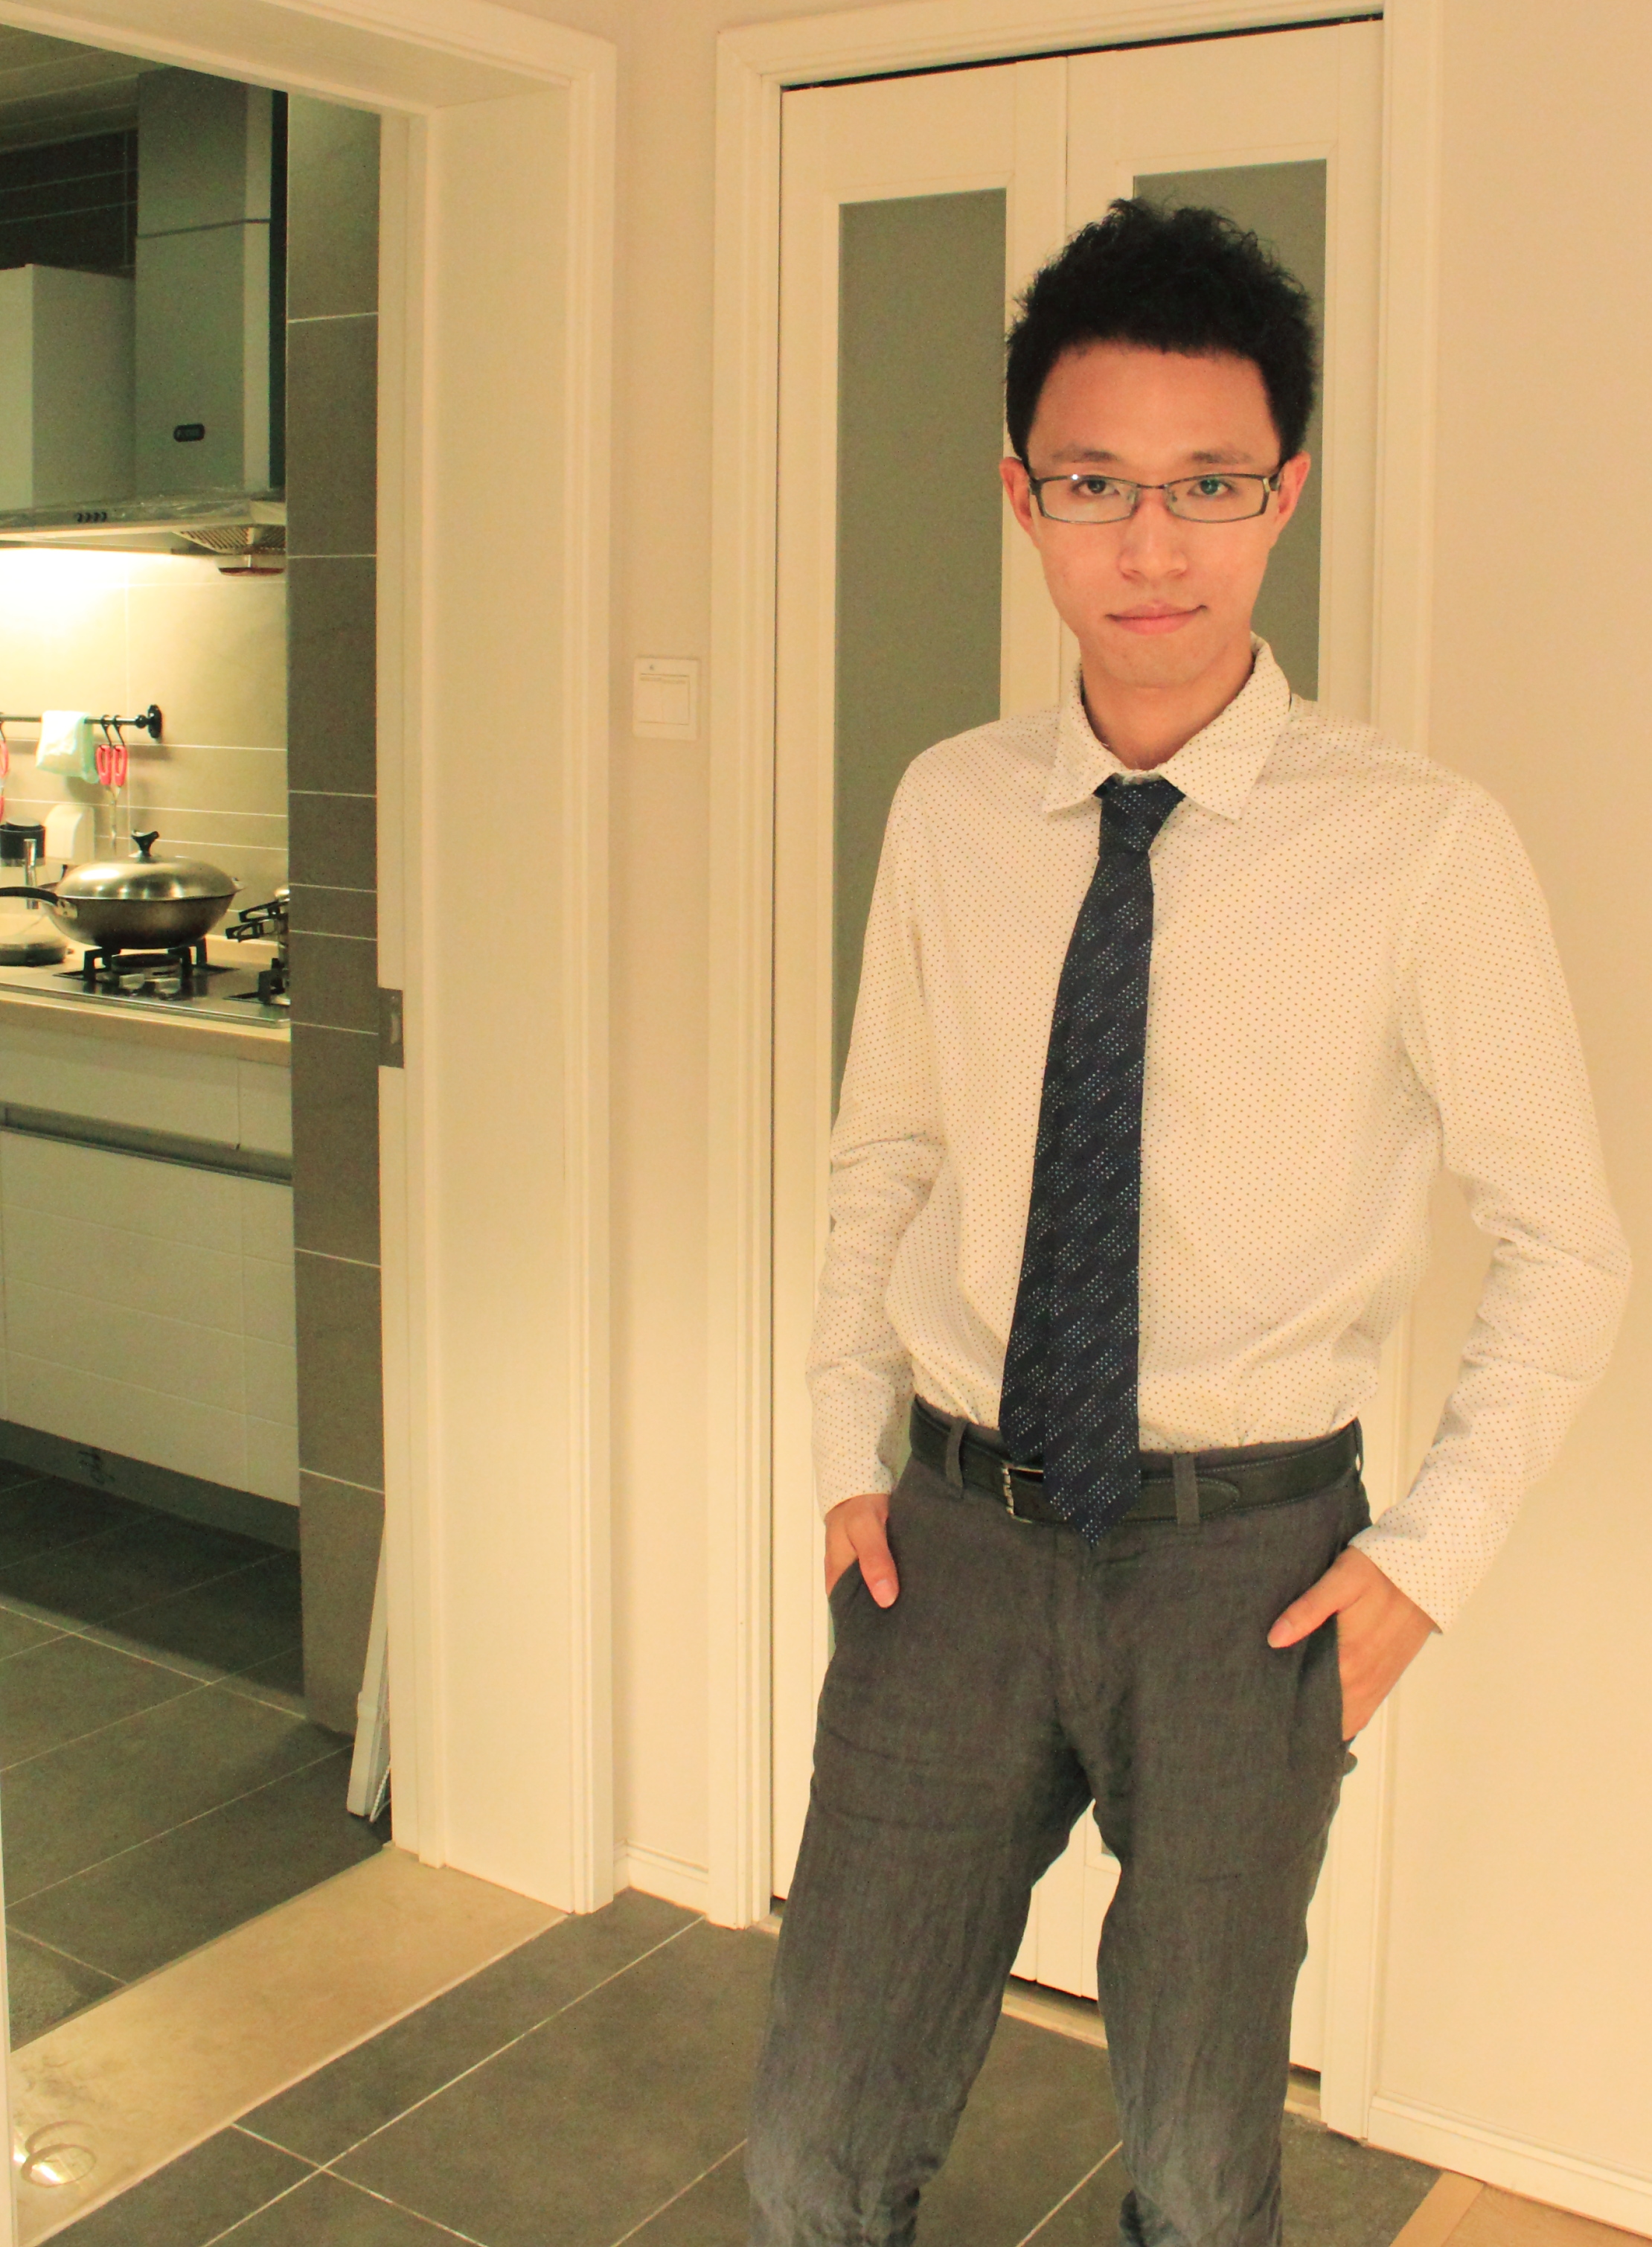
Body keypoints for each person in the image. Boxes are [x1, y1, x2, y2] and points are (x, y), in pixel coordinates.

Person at [744, 199, 1630, 2247]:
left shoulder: (1420, 846)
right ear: (1023, 499)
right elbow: (882, 1150)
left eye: (1208, 485)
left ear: (1283, 492)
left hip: (1251, 1572)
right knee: (814, 2143)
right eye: (1096, 485)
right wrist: (841, 1449)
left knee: (1203, 2161)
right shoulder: (950, 806)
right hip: (949, 1546)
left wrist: (1423, 1565)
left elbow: (1566, 1242)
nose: (1152, 544)